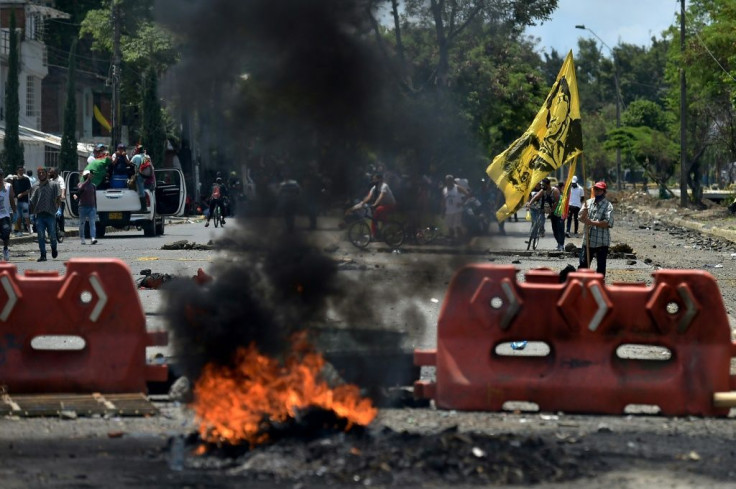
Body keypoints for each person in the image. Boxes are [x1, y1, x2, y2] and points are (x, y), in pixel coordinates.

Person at [579, 181, 614, 278]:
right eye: (595, 189)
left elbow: (608, 223)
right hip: (588, 241)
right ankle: (581, 287)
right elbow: (580, 218)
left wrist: (591, 222)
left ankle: (599, 288)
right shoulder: (588, 203)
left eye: (599, 190)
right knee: (583, 266)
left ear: (604, 191)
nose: (597, 191)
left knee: (601, 269)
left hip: (601, 242)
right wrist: (584, 213)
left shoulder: (608, 206)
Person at [29, 167, 60, 262]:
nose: (41, 174)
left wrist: (58, 209)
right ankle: (43, 255)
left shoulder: (54, 185)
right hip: (39, 215)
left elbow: (58, 197)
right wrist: (31, 215)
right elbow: (32, 202)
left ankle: (54, 248)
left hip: (50, 214)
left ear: (47, 174)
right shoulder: (35, 186)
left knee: (52, 235)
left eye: (43, 172)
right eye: (39, 173)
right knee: (41, 235)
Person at [441, 174, 468, 242]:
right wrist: (443, 210)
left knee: (457, 226)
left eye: (450, 180)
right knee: (450, 227)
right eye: (447, 181)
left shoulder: (457, 188)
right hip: (448, 211)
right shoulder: (444, 190)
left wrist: (462, 203)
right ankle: (453, 241)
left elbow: (467, 194)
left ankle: (462, 241)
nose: (449, 182)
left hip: (457, 210)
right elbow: (443, 200)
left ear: (452, 181)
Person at [74, 169, 98, 245]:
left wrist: (95, 207)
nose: (90, 176)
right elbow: (80, 188)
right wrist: (87, 180)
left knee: (92, 223)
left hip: (91, 207)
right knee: (82, 223)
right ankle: (82, 238)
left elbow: (94, 197)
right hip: (82, 207)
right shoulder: (80, 184)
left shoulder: (93, 186)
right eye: (87, 175)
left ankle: (93, 238)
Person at [7, 166, 31, 236]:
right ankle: (19, 230)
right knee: (18, 216)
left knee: (26, 216)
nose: (21, 172)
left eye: (22, 170)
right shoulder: (14, 180)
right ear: (17, 171)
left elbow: (29, 190)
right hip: (17, 200)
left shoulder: (26, 179)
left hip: (24, 200)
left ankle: (29, 228)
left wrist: (22, 194)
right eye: (20, 170)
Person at [0, 168, 17, 262]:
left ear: (3, 176)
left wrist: (15, 211)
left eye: (0, 176)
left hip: (4, 215)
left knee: (6, 233)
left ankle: (5, 248)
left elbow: (11, 199)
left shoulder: (8, 186)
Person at [48, 167, 66, 236]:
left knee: (60, 215)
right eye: (50, 173)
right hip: (50, 200)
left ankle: (61, 230)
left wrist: (63, 195)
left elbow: (62, 188)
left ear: (56, 173)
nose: (51, 174)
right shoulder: (48, 179)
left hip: (59, 200)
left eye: (52, 173)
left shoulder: (60, 179)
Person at [130, 145, 148, 211]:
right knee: (144, 190)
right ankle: (145, 205)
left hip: (139, 175)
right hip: (146, 176)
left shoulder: (136, 156)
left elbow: (130, 163)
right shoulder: (147, 156)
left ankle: (144, 207)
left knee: (141, 191)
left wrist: (133, 155)